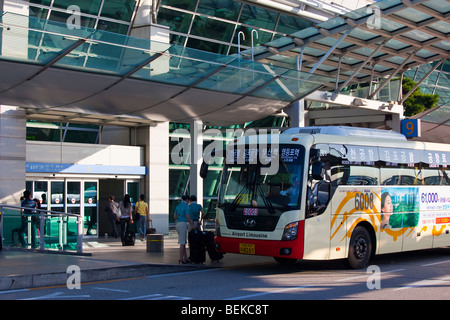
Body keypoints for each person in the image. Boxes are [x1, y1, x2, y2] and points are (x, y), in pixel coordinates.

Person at [174, 195, 192, 263]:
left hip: (178, 224)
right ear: (187, 200)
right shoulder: (186, 207)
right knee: (182, 243)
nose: (189, 202)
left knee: (183, 241)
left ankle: (185, 257)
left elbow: (175, 216)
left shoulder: (178, 206)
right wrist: (191, 223)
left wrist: (177, 220)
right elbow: (187, 216)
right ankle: (181, 258)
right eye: (188, 201)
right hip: (183, 224)